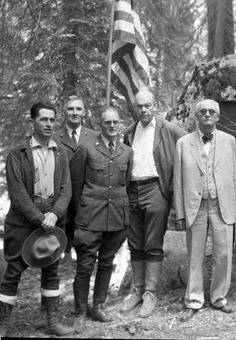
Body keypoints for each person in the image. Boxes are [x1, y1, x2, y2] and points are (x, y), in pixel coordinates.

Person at [0, 102, 73, 337]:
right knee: (14, 270)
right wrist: (40, 218)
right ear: (32, 122)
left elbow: (66, 189)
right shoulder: (17, 153)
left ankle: (51, 321)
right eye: (43, 120)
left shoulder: (60, 152)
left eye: (52, 119)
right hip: (23, 221)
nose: (49, 124)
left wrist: (54, 214)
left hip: (52, 218)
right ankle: (3, 325)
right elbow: (17, 193)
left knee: (52, 270)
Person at [120, 90, 186, 318]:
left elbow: (189, 145)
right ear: (135, 108)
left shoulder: (168, 129)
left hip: (156, 189)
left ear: (154, 105)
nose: (143, 110)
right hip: (132, 190)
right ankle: (137, 290)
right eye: (139, 106)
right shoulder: (130, 132)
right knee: (135, 242)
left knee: (153, 243)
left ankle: (150, 293)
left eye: (147, 106)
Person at [173, 99, 236, 322]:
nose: (208, 114)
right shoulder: (183, 143)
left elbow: (233, 176)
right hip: (196, 205)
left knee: (223, 253)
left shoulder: (229, 141)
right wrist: (180, 212)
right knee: (195, 255)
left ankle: (219, 298)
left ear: (218, 117)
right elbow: (178, 181)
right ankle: (194, 300)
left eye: (212, 112)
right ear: (197, 116)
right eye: (203, 111)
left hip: (222, 205)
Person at [69, 107, 133, 332]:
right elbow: (75, 185)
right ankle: (79, 311)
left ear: (120, 124)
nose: (112, 126)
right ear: (100, 124)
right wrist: (80, 214)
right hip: (89, 217)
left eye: (116, 122)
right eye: (108, 123)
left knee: (107, 262)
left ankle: (98, 307)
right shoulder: (86, 148)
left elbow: (125, 182)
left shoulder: (126, 151)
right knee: (85, 265)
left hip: (116, 217)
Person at [52, 95, 99, 264]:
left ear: (84, 113)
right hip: (62, 190)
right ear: (64, 112)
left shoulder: (95, 137)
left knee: (85, 225)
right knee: (64, 221)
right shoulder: (54, 138)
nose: (74, 112)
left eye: (78, 109)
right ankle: (63, 252)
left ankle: (85, 255)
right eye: (71, 109)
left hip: (86, 190)